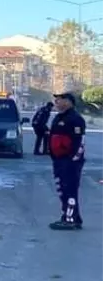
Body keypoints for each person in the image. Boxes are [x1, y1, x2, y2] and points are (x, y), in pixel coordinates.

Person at [47, 92, 86, 230]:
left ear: (68, 102)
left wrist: (73, 159)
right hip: (58, 160)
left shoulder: (75, 119)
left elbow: (79, 142)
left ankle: (70, 220)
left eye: (59, 100)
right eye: (56, 100)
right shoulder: (58, 117)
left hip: (70, 162)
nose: (56, 102)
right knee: (62, 190)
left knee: (70, 191)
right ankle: (73, 217)